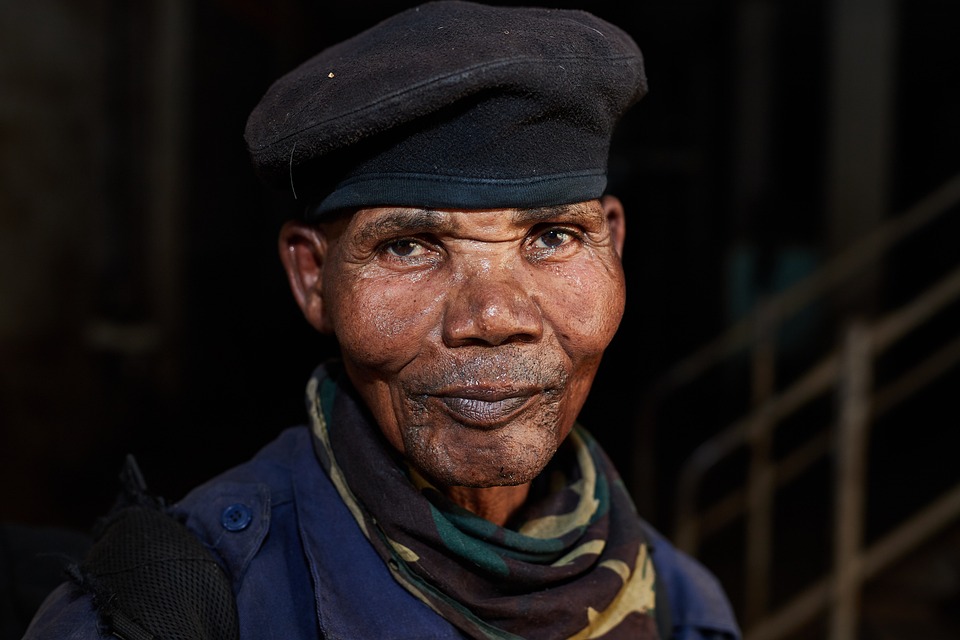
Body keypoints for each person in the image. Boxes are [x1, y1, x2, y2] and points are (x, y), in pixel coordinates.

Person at [25, 2, 740, 638]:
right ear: (313, 279)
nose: (493, 316)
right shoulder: (179, 612)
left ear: (613, 247)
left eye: (552, 237)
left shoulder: (681, 605)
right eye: (409, 247)